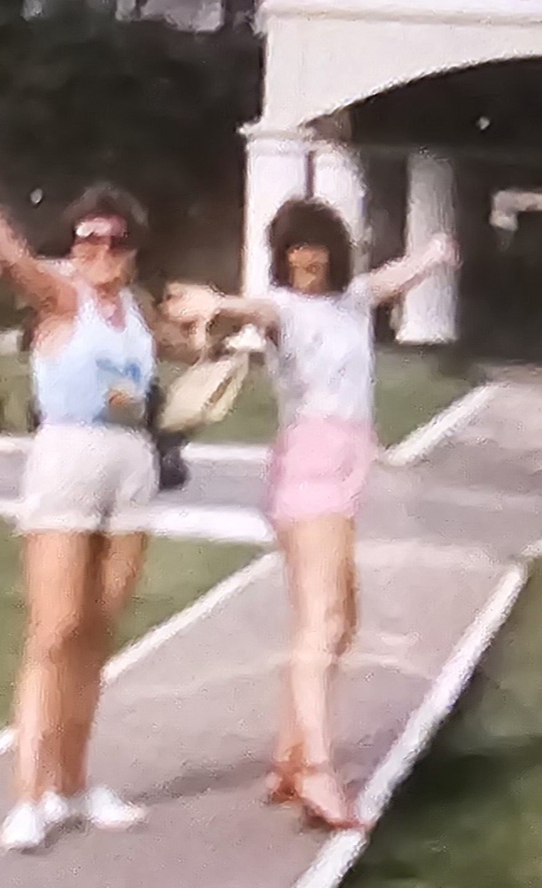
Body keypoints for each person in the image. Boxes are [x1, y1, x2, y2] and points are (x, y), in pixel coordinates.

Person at [0, 120, 193, 853]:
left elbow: (187, 344)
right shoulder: (58, 297)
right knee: (54, 632)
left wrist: (212, 320)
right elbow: (5, 254)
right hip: (67, 459)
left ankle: (73, 784)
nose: (97, 253)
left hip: (130, 466)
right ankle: (28, 796)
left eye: (113, 242)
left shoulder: (137, 311)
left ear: (132, 250)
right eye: (85, 241)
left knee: (97, 634)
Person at [167, 201, 458, 831]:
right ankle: (319, 775)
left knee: (338, 620)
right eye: (295, 247)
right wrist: (219, 305)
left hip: (346, 466)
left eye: (318, 245)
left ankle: (291, 755)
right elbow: (259, 310)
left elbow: (385, 282)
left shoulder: (349, 300)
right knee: (324, 622)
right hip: (311, 466)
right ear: (281, 255)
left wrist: (435, 256)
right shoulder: (282, 309)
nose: (307, 257)